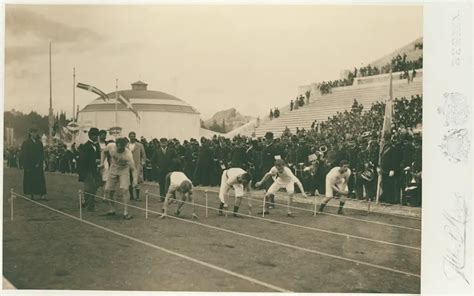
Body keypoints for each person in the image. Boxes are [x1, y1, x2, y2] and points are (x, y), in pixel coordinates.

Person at [101, 137, 137, 220]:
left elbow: (133, 169)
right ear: (116, 145)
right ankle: (112, 209)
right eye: (118, 147)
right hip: (113, 169)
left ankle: (126, 212)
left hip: (123, 170)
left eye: (122, 148)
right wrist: (102, 162)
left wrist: (135, 181)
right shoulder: (110, 146)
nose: (119, 149)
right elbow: (103, 152)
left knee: (125, 189)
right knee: (109, 190)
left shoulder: (128, 155)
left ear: (124, 147)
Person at [20, 128, 47, 200]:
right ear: (30, 133)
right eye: (34, 133)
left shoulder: (39, 143)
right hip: (30, 165)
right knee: (30, 180)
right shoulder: (26, 143)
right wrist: (25, 165)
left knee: (40, 180)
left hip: (38, 164)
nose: (35, 134)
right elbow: (23, 154)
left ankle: (42, 194)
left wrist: (40, 162)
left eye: (36, 133)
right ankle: (31, 194)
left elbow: (41, 154)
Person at [77, 128, 101, 210]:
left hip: (95, 170)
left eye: (96, 135)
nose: (95, 137)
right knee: (91, 187)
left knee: (95, 186)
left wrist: (98, 161)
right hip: (87, 170)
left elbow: (98, 156)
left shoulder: (97, 146)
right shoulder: (85, 146)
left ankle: (85, 201)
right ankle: (90, 206)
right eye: (94, 135)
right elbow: (83, 160)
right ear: (90, 136)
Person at [128, 131, 146, 201]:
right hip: (128, 165)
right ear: (129, 137)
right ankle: (131, 196)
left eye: (133, 136)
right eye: (131, 136)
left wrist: (142, 163)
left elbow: (143, 155)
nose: (132, 137)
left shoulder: (140, 145)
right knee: (129, 181)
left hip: (137, 165)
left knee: (137, 181)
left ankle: (137, 197)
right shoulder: (127, 145)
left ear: (135, 137)